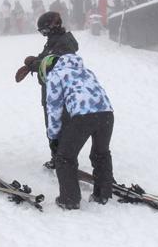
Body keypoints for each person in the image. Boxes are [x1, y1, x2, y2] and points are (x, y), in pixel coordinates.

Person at [39, 54, 116, 210]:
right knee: (101, 153)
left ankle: (69, 200)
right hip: (107, 114)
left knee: (65, 157)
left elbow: (54, 109)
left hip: (83, 116)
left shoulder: (56, 74)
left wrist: (54, 137)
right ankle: (103, 195)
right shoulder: (86, 71)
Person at [14, 11, 78, 169]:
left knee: (58, 125)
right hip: (50, 90)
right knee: (52, 125)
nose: (43, 34)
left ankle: (63, 159)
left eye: (44, 31)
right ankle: (57, 157)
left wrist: (33, 65)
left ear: (54, 26)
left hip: (58, 91)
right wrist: (34, 61)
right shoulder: (53, 40)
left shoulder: (64, 42)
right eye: (41, 32)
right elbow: (45, 57)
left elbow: (51, 62)